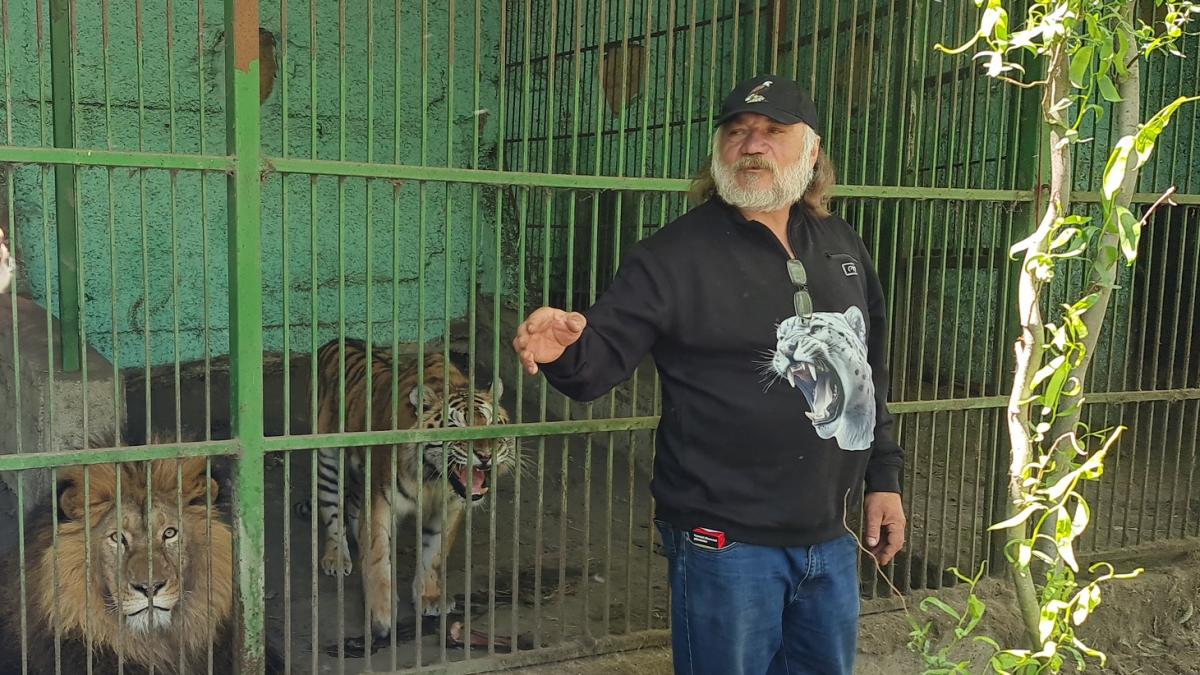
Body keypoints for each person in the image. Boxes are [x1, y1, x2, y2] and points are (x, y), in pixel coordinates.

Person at [511, 74, 906, 675]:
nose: (753, 145)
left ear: (812, 149)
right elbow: (596, 366)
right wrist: (563, 348)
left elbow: (869, 367)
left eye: (774, 131)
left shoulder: (840, 243)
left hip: (830, 535)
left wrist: (885, 476)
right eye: (737, 131)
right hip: (725, 542)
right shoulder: (672, 257)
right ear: (718, 147)